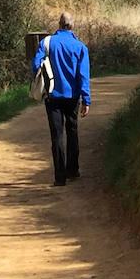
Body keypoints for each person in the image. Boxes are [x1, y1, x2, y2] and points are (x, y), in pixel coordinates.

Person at [33, 11, 91, 186]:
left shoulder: (46, 43)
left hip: (53, 96)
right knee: (72, 131)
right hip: (72, 97)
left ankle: (60, 177)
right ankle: (73, 170)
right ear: (72, 26)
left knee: (56, 135)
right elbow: (83, 75)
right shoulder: (80, 47)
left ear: (59, 25)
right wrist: (86, 99)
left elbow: (36, 64)